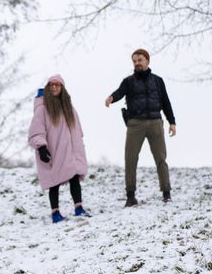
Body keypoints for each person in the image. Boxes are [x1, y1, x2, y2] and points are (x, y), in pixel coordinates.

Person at [105, 48, 176, 206]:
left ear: (147, 61)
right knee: (130, 159)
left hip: (155, 123)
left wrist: (172, 122)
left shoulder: (158, 81)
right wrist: (111, 97)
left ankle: (166, 193)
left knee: (161, 159)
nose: (137, 63)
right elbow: (120, 92)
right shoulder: (128, 81)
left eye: (140, 60)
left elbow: (165, 102)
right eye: (134, 61)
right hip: (135, 124)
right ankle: (130, 196)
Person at [28, 74, 89, 223]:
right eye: (51, 85)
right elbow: (36, 131)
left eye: (58, 85)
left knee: (74, 177)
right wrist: (41, 147)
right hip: (54, 151)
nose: (54, 87)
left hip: (71, 151)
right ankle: (55, 213)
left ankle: (79, 208)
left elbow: (77, 130)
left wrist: (79, 145)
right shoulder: (42, 109)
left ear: (62, 88)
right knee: (54, 182)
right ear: (48, 88)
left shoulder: (69, 108)